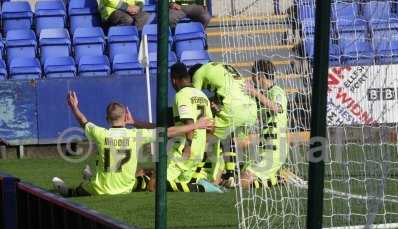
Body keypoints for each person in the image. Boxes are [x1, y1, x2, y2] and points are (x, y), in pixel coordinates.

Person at [52, 91, 216, 197]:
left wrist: (74, 107)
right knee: (145, 179)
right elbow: (168, 132)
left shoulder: (101, 133)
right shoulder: (135, 135)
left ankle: (70, 189)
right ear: (124, 118)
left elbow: (83, 121)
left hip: (102, 189)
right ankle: (90, 177)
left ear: (107, 119)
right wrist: (196, 125)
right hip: (127, 187)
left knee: (78, 191)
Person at [188, 62, 258, 186]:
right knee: (229, 137)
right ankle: (231, 174)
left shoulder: (198, 73)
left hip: (234, 110)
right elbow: (227, 92)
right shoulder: (221, 67)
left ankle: (195, 175)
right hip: (251, 110)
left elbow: (194, 98)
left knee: (206, 136)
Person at [166, 63, 216, 192]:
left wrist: (188, 147)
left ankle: (201, 188)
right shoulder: (202, 95)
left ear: (173, 79)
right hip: (199, 150)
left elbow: (188, 122)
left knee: (156, 184)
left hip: (183, 148)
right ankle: (202, 187)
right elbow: (211, 126)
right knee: (181, 189)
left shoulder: (181, 94)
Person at [240, 59, 288, 189]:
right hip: (264, 149)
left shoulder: (277, 91)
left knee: (243, 179)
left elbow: (277, 108)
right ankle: (274, 177)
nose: (252, 79)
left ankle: (275, 178)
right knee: (241, 171)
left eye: (253, 75)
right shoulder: (263, 95)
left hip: (274, 151)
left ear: (260, 76)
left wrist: (254, 92)